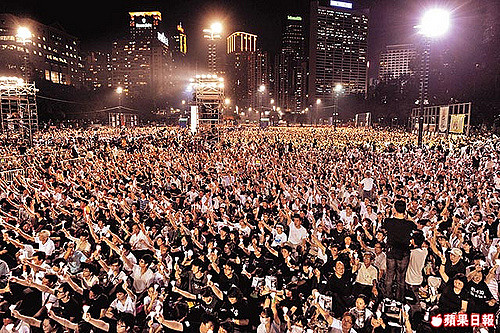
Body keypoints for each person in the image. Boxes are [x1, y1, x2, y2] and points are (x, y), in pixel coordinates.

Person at [382, 200, 415, 301]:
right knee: (401, 277)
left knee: (389, 275)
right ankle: (399, 299)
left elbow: (384, 229)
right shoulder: (409, 224)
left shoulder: (388, 221)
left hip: (391, 251)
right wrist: (407, 215)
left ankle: (388, 297)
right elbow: (416, 226)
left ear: (394, 209)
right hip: (404, 253)